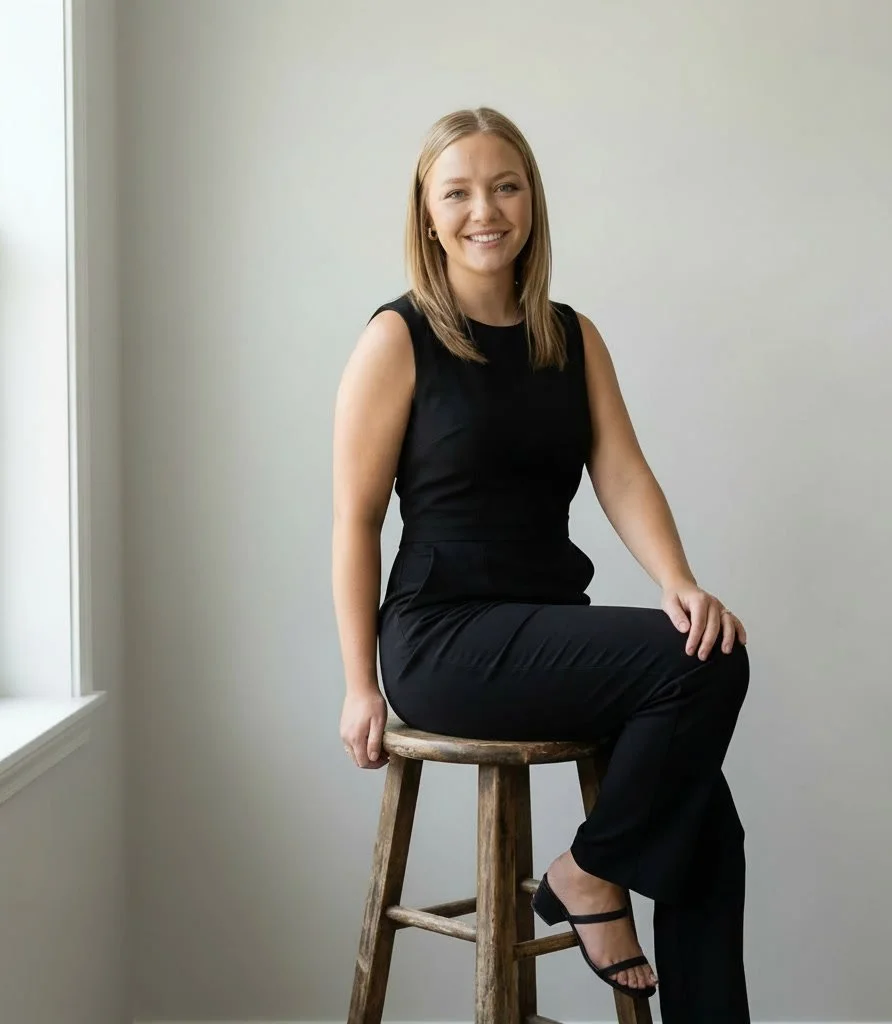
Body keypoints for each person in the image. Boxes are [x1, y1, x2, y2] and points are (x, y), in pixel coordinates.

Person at [333, 106, 751, 1021]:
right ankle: (586, 874)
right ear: (428, 212)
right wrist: (359, 685)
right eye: (460, 191)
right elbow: (356, 520)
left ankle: (590, 876)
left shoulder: (571, 334)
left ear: (532, 200)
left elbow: (623, 472)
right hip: (442, 641)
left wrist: (679, 585)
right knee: (699, 689)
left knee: (703, 819)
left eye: (506, 184)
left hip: (544, 628)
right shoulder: (397, 340)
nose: (486, 208)